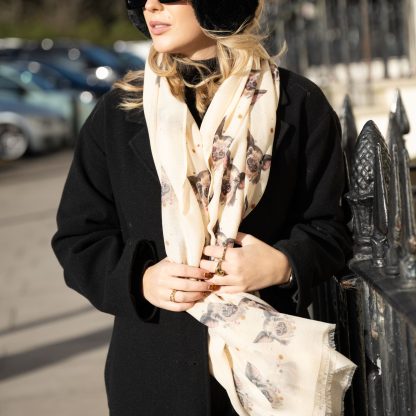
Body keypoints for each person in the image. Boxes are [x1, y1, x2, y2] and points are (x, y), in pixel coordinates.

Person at [52, 0, 354, 415]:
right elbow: (78, 237)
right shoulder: (120, 112)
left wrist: (283, 264)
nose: (150, 5)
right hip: (154, 377)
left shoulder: (299, 105)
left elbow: (330, 228)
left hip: (271, 376)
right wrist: (140, 280)